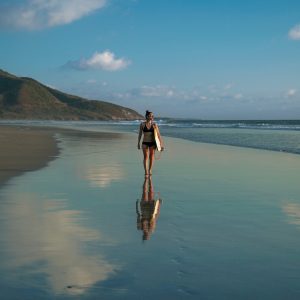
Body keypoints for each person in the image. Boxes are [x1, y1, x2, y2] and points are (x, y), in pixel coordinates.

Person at [137, 110, 164, 176]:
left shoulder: (154, 125)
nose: (152, 117)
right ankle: (146, 171)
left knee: (151, 156)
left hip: (152, 143)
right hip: (145, 142)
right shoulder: (142, 124)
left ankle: (150, 170)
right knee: (146, 157)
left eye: (152, 116)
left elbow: (158, 135)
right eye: (150, 116)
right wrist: (138, 143)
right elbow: (140, 134)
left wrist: (161, 144)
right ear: (147, 116)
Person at [136, 176, 162, 241]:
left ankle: (146, 179)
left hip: (144, 207)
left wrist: (136, 205)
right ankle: (149, 179)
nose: (146, 233)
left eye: (145, 235)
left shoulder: (140, 227)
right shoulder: (152, 227)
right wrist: (159, 205)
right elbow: (155, 215)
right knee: (150, 191)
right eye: (147, 235)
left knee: (145, 191)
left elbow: (138, 215)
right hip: (150, 208)